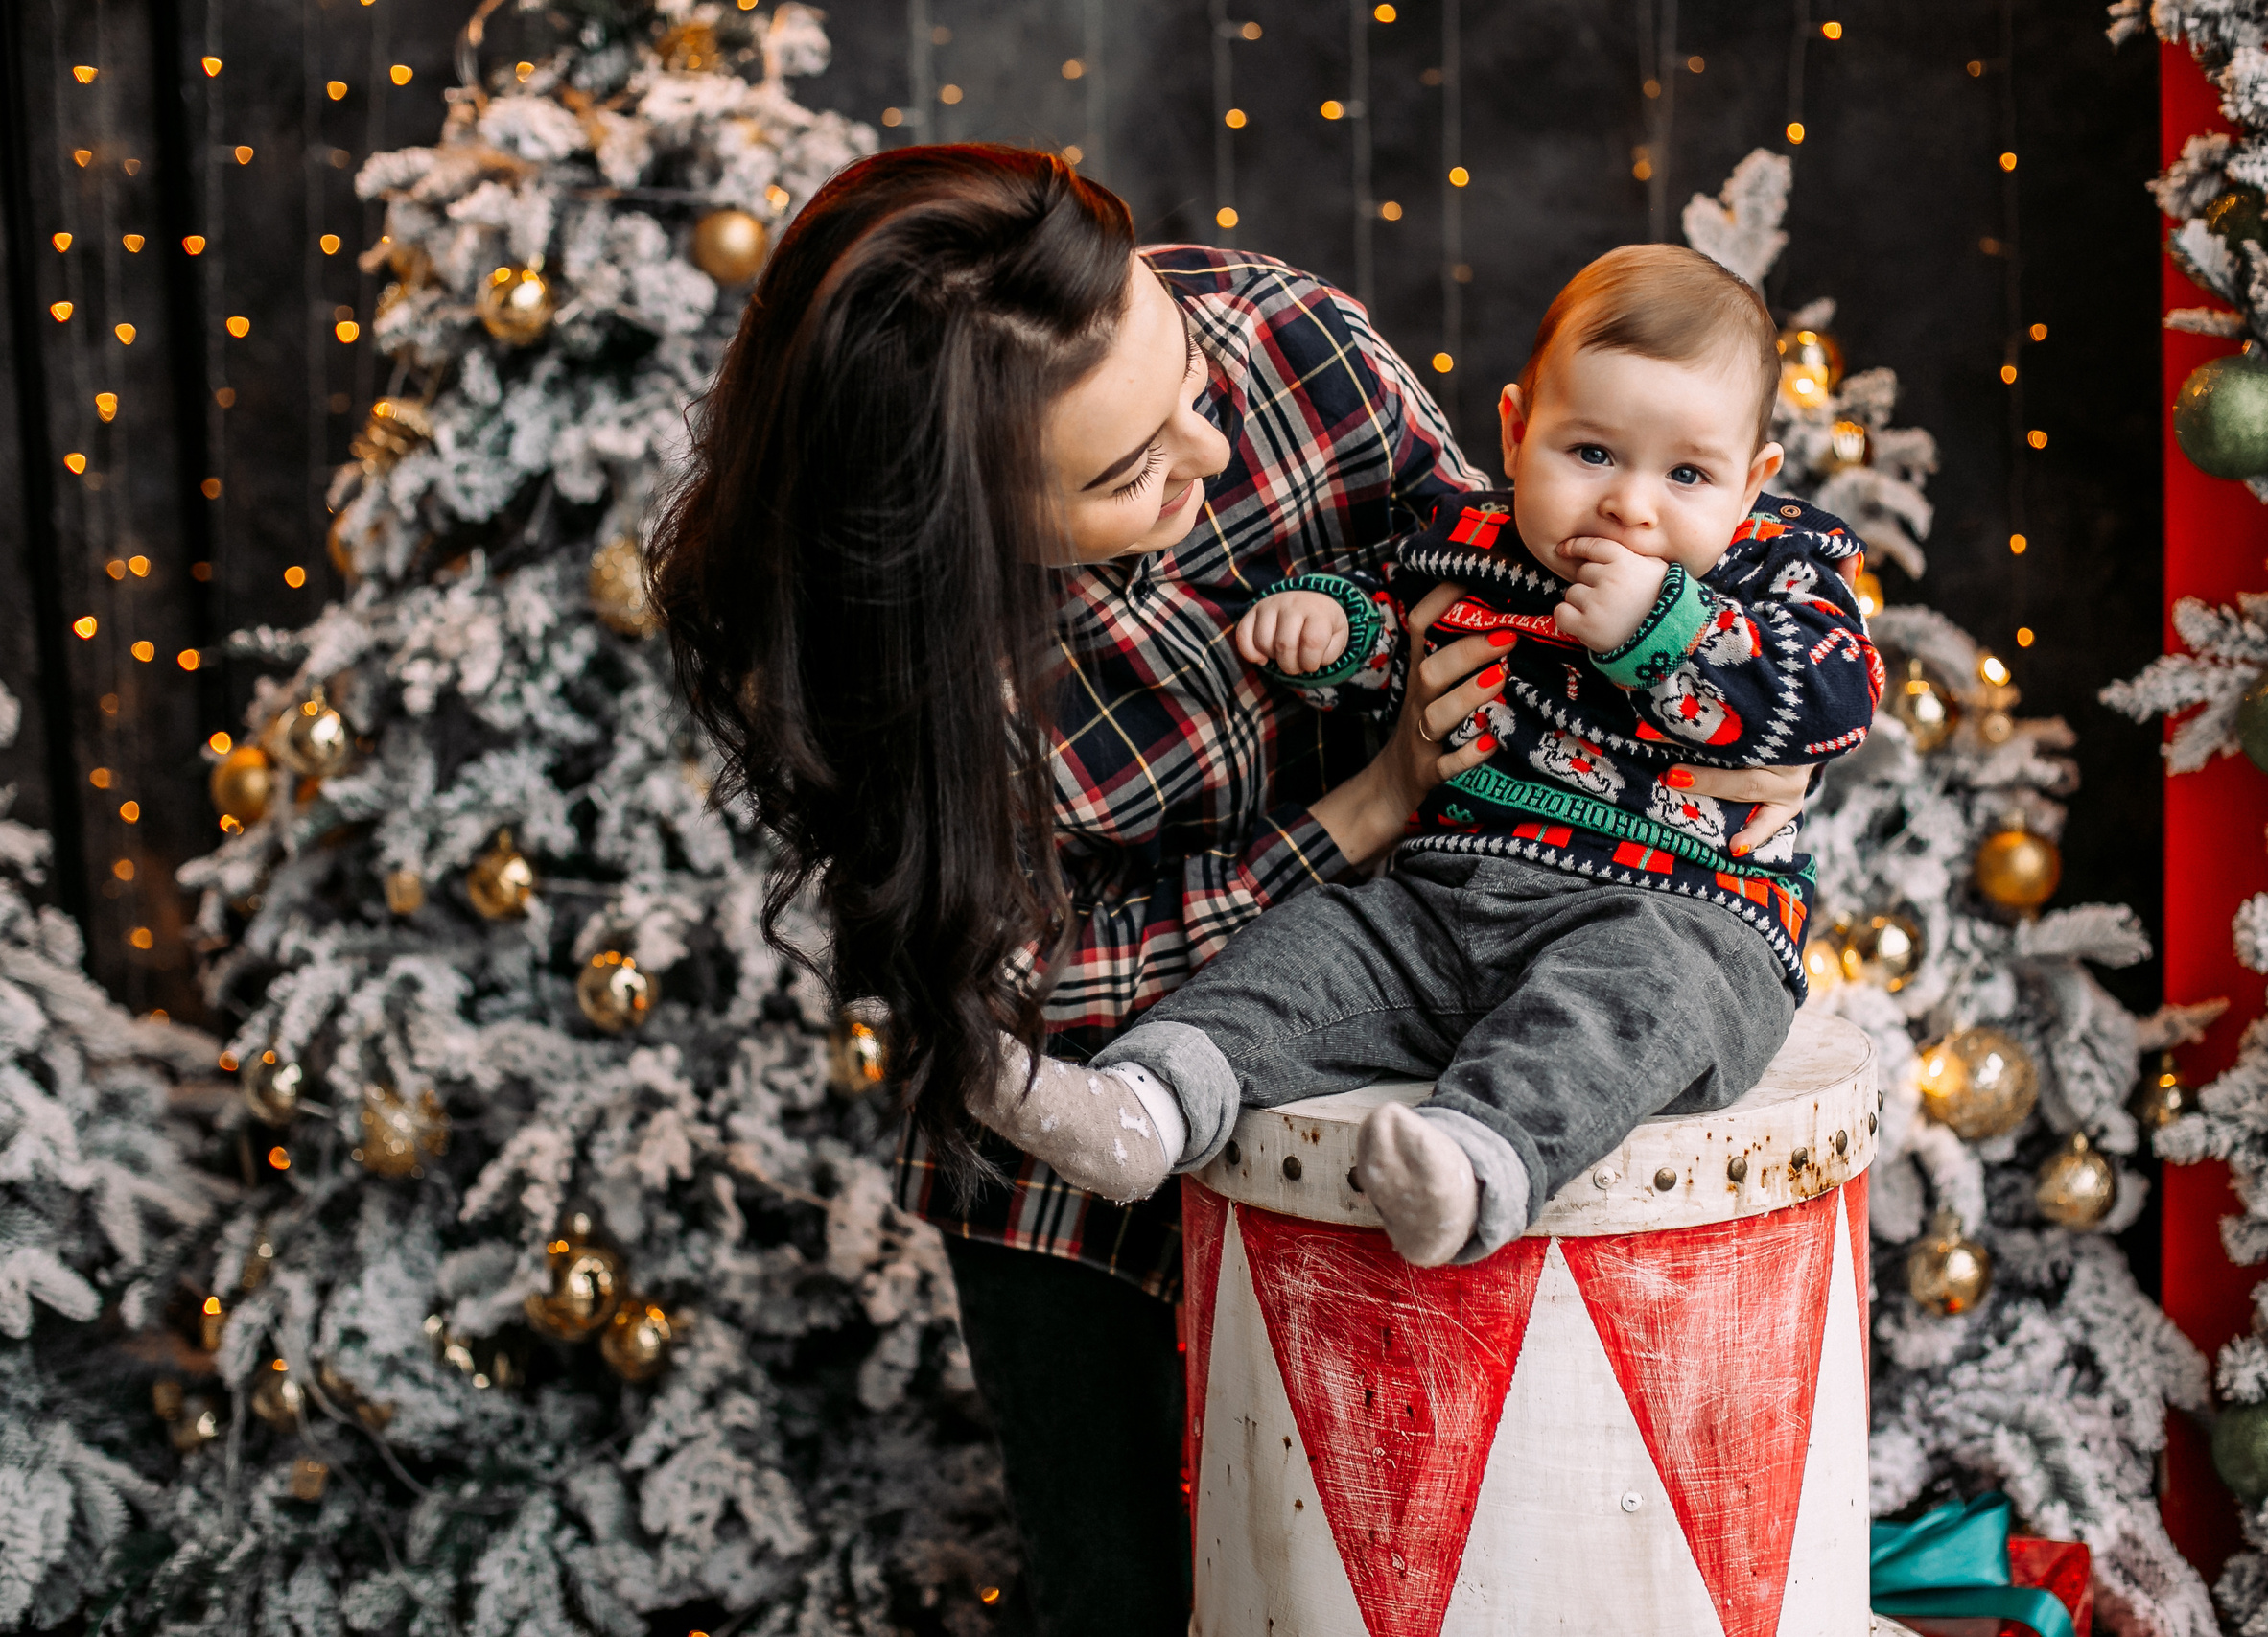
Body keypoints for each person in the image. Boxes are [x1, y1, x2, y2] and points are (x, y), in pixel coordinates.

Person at [649, 146, 1812, 1633]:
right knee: (1135, 1591)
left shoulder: (1282, 338)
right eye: (1129, 469)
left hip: (1395, 1066)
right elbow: (1023, 990)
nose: (1206, 447)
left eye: (1182, 378)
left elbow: (1519, 570)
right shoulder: (884, 664)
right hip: (1077, 1201)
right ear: (957, 523)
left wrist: (1728, 719)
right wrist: (1362, 808)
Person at [968, 244, 1882, 1270]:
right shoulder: (1471, 542)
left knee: (1628, 1006)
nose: (1630, 504)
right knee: (1301, 955)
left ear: (1752, 479)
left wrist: (1672, 636)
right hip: (1438, 901)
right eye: (1590, 453)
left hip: (1673, 911)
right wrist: (1333, 624)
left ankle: (1475, 1161)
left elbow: (1834, 689)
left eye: (1686, 474)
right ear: (1516, 428)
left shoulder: (1777, 565)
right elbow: (1391, 605)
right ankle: (1149, 1102)